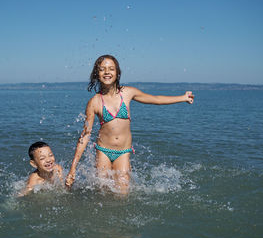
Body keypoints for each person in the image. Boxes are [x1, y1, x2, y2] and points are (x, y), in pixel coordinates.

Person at [65, 55, 194, 194]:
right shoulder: (94, 102)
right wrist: (73, 168)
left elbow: (156, 99)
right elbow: (85, 135)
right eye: (102, 69)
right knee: (102, 192)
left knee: (123, 193)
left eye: (111, 69)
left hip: (123, 152)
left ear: (117, 72)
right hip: (103, 151)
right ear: (97, 74)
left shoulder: (127, 93)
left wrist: (183, 98)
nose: (107, 72)